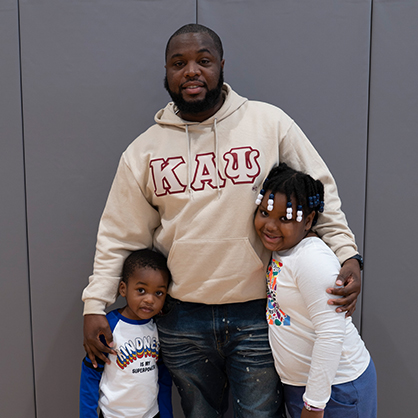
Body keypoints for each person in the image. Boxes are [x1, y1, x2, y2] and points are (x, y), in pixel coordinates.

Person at [82, 23, 364, 417]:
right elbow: (118, 236)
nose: (191, 71)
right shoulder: (143, 151)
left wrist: (348, 253)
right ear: (166, 72)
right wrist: (95, 303)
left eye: (203, 60)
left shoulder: (269, 123)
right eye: (178, 63)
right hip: (182, 319)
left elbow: (317, 192)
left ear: (221, 66)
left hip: (258, 314)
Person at [254, 163, 376, 418]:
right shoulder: (284, 250)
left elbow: (331, 334)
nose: (270, 225)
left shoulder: (312, 259)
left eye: (285, 219)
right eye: (264, 212)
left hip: (337, 388)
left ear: (308, 221)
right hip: (304, 386)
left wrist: (314, 404)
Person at [80, 249, 173, 418]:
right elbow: (91, 373)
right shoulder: (109, 326)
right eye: (141, 290)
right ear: (123, 289)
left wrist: (166, 414)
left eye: (158, 293)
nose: (150, 300)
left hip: (152, 414)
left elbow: (164, 377)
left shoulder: (159, 327)